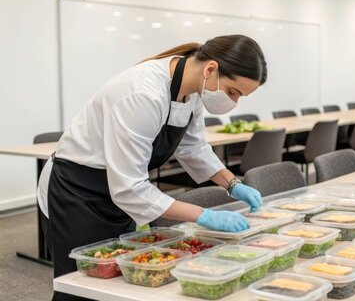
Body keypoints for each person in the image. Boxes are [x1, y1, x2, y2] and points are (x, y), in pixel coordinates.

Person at [37, 35, 267, 300]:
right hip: (76, 193)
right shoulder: (142, 92)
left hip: (118, 193)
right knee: (82, 287)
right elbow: (130, 188)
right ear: (211, 69)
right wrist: (204, 215)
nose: (234, 103)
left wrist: (233, 184)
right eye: (232, 92)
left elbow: (193, 148)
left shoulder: (193, 91)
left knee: (121, 280)